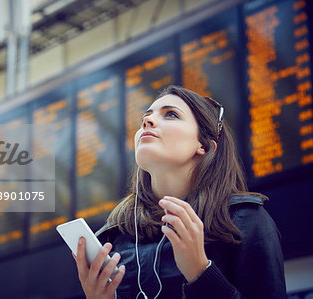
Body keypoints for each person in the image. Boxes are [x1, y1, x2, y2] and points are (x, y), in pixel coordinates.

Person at [71, 85, 286, 299]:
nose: (147, 121)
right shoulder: (115, 238)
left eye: (171, 115)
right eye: (145, 118)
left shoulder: (245, 221)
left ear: (203, 146)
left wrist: (201, 272)